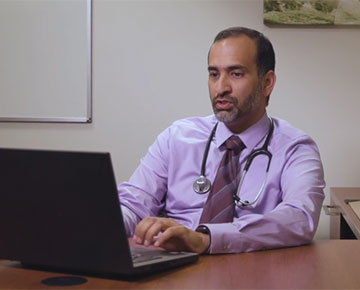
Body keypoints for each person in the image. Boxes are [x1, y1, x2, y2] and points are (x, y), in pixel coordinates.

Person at [118, 26, 325, 254]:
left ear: (267, 83)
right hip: (173, 267)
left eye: (236, 74)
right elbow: (132, 204)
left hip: (250, 271)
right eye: (214, 74)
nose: (220, 88)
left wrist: (206, 239)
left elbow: (300, 218)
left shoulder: (295, 148)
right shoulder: (177, 137)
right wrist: (102, 223)